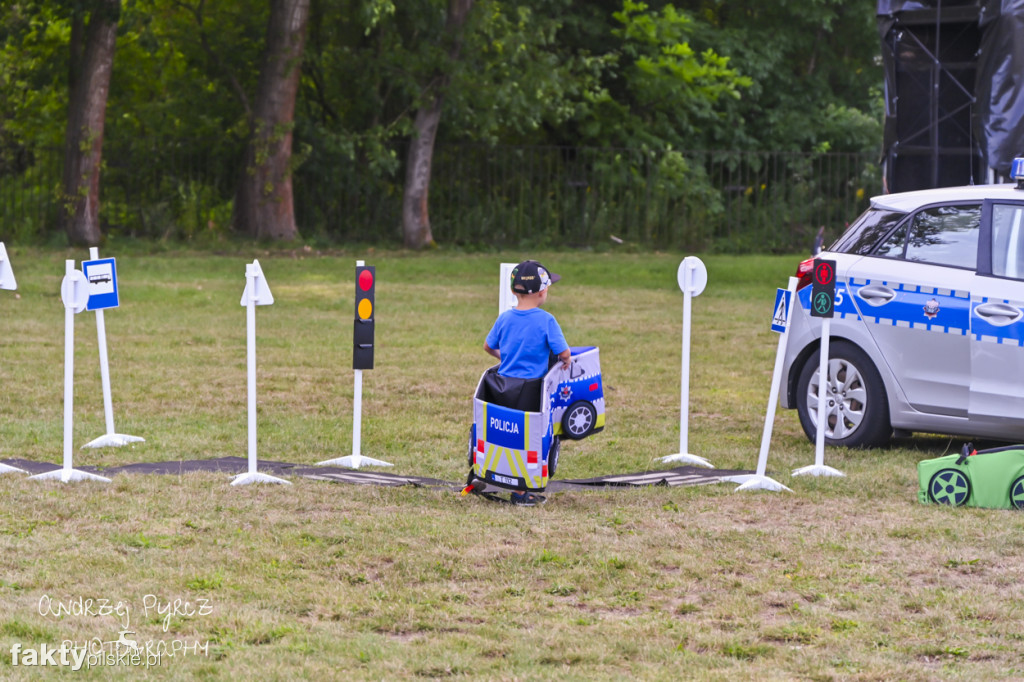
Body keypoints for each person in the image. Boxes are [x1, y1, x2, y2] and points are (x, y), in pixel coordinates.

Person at [482, 260, 570, 506]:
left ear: (513, 290)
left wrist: (505, 357)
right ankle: (521, 492)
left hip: (504, 388)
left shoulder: (505, 318)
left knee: (508, 436)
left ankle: (500, 475)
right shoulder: (546, 321)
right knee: (530, 441)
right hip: (532, 390)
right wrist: (565, 361)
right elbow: (563, 353)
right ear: (542, 292)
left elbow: (488, 346)